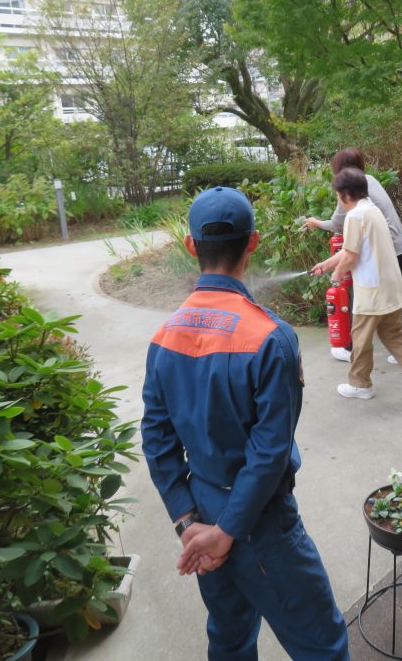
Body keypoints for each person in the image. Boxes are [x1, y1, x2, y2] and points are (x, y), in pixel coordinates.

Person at [140, 186, 349, 660]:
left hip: (201, 511)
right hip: (261, 524)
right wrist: (228, 530)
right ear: (252, 242)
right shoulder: (272, 338)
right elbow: (269, 452)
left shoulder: (163, 336)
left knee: (230, 639)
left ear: (190, 246)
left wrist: (188, 522)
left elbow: (156, 439)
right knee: (323, 644)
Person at [311, 168, 402, 402]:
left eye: (338, 195)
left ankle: (360, 385)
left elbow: (351, 256)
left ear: (346, 195)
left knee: (360, 338)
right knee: (396, 336)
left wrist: (336, 275)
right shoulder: (372, 210)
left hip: (372, 291)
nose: (338, 200)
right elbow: (351, 250)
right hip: (390, 287)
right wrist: (327, 264)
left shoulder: (355, 217)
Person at [304, 147, 402, 363]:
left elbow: (337, 224)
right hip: (399, 247)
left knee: (366, 300)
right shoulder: (368, 181)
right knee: (388, 301)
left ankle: (352, 349)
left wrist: (316, 223)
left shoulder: (350, 191)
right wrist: (331, 263)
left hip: (385, 250)